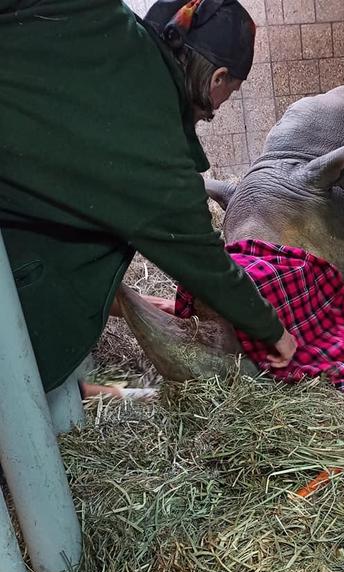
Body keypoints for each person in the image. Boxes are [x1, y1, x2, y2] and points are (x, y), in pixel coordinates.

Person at [1, 0, 297, 399]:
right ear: (219, 78)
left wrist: (130, 301)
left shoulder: (100, 19)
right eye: (234, 89)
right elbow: (202, 258)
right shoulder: (153, 143)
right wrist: (275, 333)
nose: (226, 102)